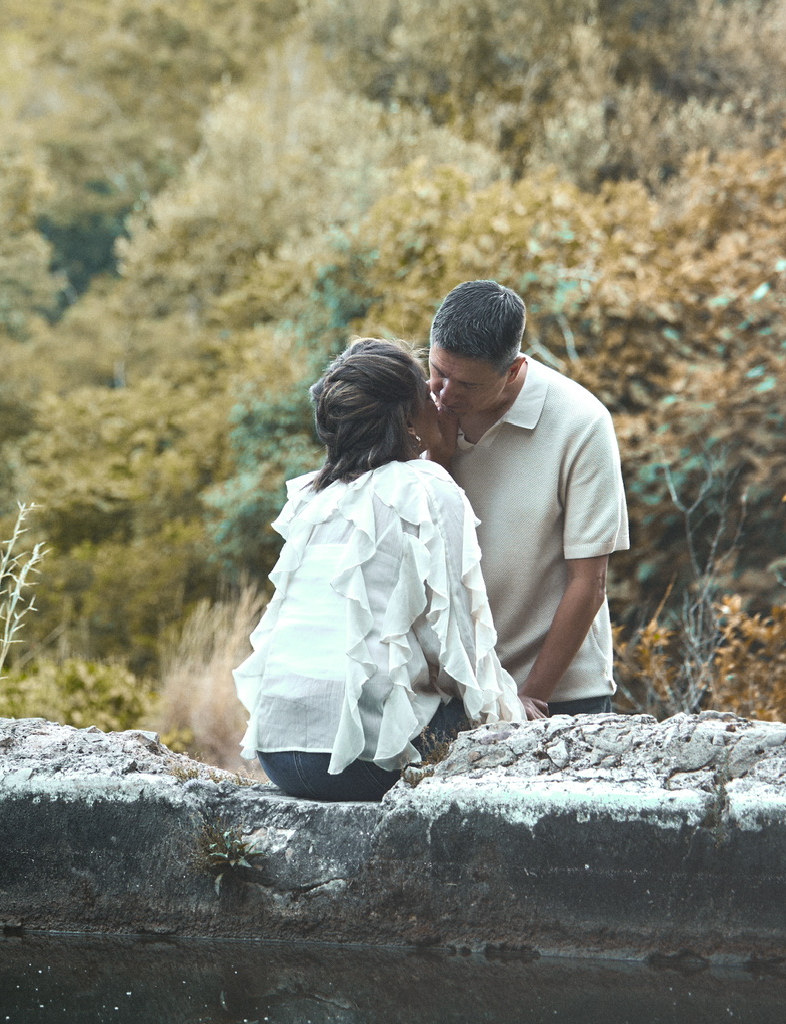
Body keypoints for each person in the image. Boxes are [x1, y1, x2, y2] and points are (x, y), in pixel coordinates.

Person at [235, 338, 522, 802]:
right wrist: (512, 713)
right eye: (426, 393)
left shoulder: (315, 496)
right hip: (358, 761)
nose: (439, 401)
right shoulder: (427, 488)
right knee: (490, 724)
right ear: (407, 418)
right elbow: (459, 652)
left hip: (277, 756)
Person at [413, 281, 629, 720]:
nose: (444, 393)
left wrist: (531, 697)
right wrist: (439, 457)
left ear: (513, 371)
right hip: (454, 693)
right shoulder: (422, 407)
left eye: (466, 384)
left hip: (558, 695)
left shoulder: (581, 423)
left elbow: (589, 582)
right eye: (438, 371)